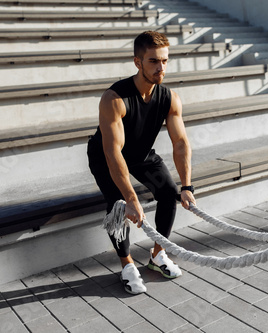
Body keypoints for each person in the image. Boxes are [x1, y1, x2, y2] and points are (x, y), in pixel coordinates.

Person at [87, 30, 196, 294]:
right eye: (154, 61)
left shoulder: (169, 98)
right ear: (138, 62)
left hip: (141, 154)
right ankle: (126, 264)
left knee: (169, 192)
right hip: (105, 156)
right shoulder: (114, 99)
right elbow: (113, 153)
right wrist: (131, 197)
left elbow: (180, 143)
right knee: (119, 206)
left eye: (165, 61)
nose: (161, 68)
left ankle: (157, 255)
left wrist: (187, 186)